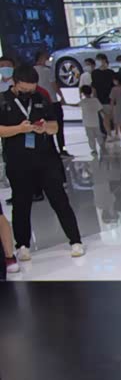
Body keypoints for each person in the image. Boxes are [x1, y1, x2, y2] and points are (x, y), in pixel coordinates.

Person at [0, 65, 84, 259]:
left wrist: (45, 127)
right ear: (15, 83)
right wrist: (19, 129)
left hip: (46, 159)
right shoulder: (3, 101)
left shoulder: (40, 97)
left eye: (31, 89)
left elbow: (55, 127)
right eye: (24, 89)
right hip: (18, 161)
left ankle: (75, 240)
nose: (28, 93)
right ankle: (23, 245)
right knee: (21, 204)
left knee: (60, 200)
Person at [32, 49, 69, 157]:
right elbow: (54, 85)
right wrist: (62, 97)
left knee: (45, 127)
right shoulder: (48, 71)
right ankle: (62, 149)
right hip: (52, 102)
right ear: (41, 59)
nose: (48, 60)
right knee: (58, 127)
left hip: (40, 102)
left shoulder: (32, 71)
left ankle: (51, 150)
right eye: (46, 58)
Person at [92, 53, 117, 137]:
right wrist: (95, 99)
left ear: (104, 60)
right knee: (105, 118)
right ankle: (109, 134)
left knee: (113, 117)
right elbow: (94, 87)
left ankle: (115, 133)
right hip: (100, 99)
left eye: (100, 60)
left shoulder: (111, 72)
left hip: (111, 99)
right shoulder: (95, 73)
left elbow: (114, 86)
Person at [79, 84, 104, 157]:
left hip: (87, 122)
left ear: (83, 93)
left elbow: (76, 105)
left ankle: (94, 150)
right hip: (95, 121)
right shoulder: (95, 100)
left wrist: (65, 103)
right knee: (98, 134)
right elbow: (101, 109)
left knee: (90, 137)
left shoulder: (83, 101)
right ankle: (102, 146)